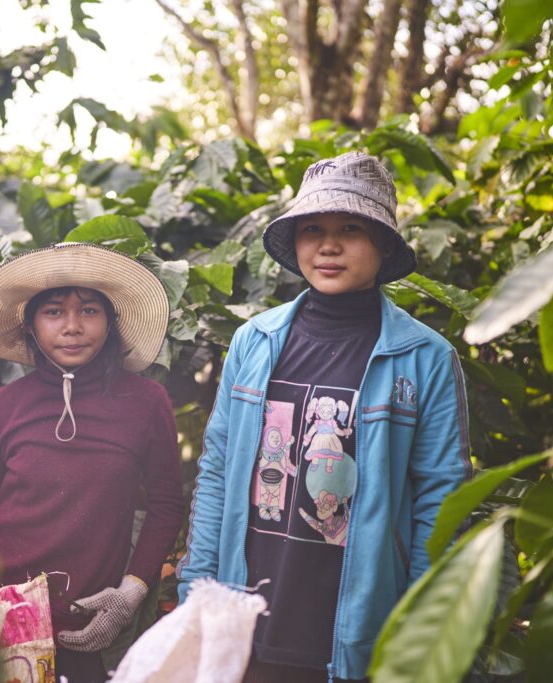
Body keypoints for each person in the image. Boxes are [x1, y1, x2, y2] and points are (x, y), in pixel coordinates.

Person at [176, 152, 472, 683]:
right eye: (313, 228)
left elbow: (441, 500)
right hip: (245, 617)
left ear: (383, 244)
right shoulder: (255, 341)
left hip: (355, 624)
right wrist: (196, 589)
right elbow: (218, 470)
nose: (329, 245)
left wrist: (425, 625)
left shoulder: (424, 358)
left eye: (351, 228)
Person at [0, 243, 184, 683]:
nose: (73, 327)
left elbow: (166, 506)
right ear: (30, 325)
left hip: (94, 620)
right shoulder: (3, 408)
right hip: (4, 616)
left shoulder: (145, 402)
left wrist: (131, 592)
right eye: (54, 312)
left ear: (111, 321)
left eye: (90, 311)